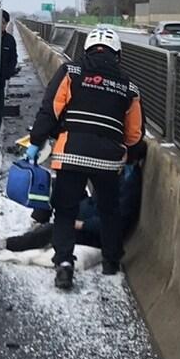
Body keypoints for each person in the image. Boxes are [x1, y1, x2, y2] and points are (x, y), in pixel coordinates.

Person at [27, 26, 142, 290]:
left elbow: (51, 109)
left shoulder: (71, 72)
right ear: (117, 54)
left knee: (65, 211)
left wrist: (36, 143)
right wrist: (129, 156)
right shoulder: (129, 87)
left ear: (87, 48)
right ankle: (112, 262)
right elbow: (135, 134)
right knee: (109, 211)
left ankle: (65, 265)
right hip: (108, 160)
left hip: (71, 154)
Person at [0, 142, 144, 256]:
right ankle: (37, 224)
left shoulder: (129, 183)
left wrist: (82, 224)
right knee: (58, 185)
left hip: (95, 232)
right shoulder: (115, 170)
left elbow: (115, 221)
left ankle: (3, 245)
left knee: (55, 230)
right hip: (87, 210)